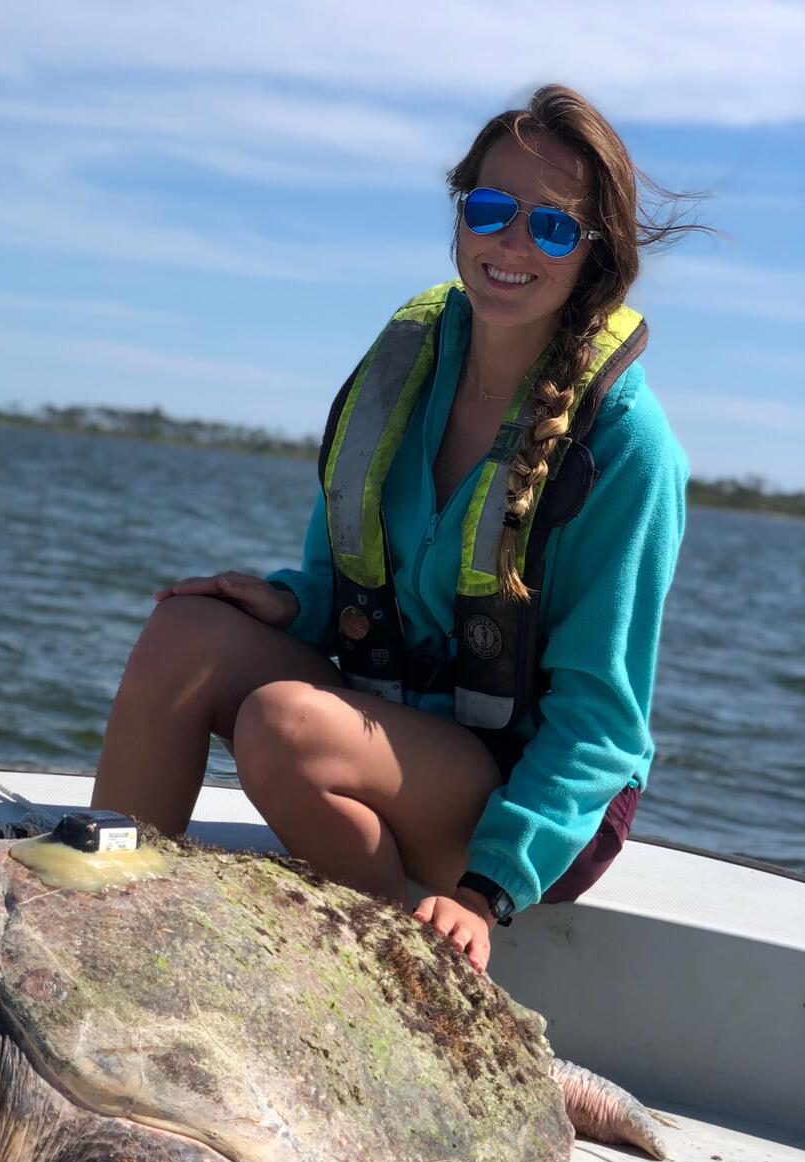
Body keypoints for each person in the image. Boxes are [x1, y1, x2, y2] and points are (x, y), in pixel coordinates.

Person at [92, 85, 702, 972]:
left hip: (529, 807)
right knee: (185, 630)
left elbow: (601, 728)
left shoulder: (628, 446)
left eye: (553, 227)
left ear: (595, 257)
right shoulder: (407, 365)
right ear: (461, 217)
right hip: (398, 731)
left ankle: (422, 968)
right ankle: (101, 922)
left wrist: (484, 889)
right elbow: (341, 585)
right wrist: (284, 602)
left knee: (284, 726)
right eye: (491, 210)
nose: (512, 243)